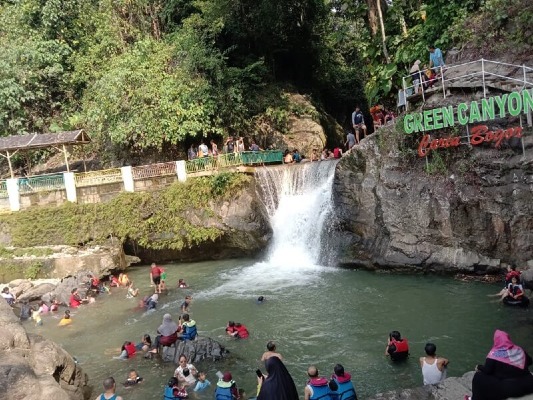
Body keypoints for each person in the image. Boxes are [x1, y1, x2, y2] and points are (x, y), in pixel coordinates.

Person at [470, 330, 533, 400]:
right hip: (529, 384)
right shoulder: (519, 350)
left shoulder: (496, 353)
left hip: (512, 389)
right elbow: (530, 361)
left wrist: (479, 367)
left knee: (478, 377)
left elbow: (487, 370)